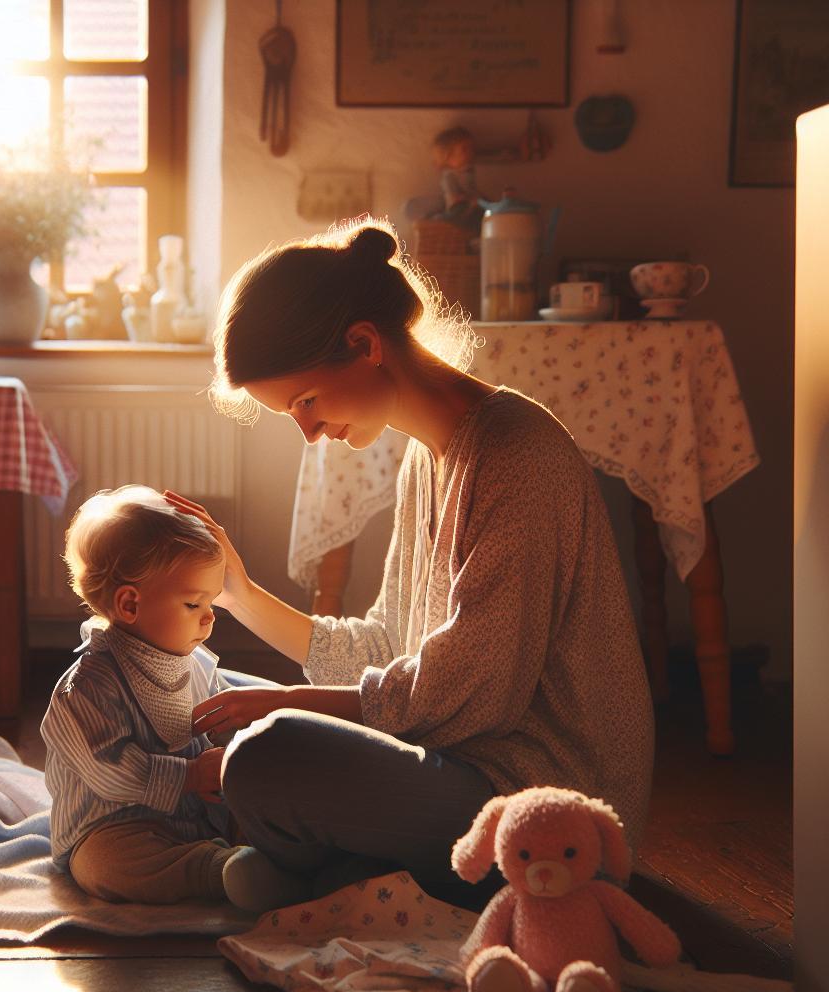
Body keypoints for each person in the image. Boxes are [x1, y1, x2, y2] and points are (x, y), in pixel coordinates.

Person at [166, 219, 654, 908]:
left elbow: (473, 696)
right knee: (204, 689)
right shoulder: (426, 461)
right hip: (457, 760)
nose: (308, 432)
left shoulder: (517, 454)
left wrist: (287, 704)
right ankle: (336, 873)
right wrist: (239, 594)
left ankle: (311, 865)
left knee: (267, 750)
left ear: (366, 344)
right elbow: (387, 648)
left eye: (305, 401)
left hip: (536, 805)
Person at [41, 486, 308, 911]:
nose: (210, 616)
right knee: (103, 866)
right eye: (193, 603)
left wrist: (238, 750)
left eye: (211, 602)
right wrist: (190, 775)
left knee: (262, 799)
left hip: (198, 814)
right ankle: (219, 871)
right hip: (116, 825)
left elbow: (222, 723)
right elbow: (110, 770)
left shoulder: (195, 664)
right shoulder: (88, 687)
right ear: (130, 604)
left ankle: (270, 856)